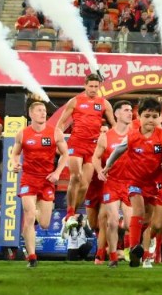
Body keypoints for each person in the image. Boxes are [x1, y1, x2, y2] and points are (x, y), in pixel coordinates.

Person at [103, 96, 162, 269]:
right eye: (147, 116)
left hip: (157, 184)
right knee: (138, 210)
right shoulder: (132, 135)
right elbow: (118, 151)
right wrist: (107, 166)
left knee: (154, 224)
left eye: (154, 117)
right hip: (135, 181)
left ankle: (141, 242)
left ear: (160, 118)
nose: (150, 120)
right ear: (139, 117)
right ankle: (134, 248)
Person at [57, 72, 116, 238]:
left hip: (93, 147)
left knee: (84, 185)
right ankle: (69, 213)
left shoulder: (104, 103)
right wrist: (59, 140)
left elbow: (114, 125)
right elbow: (61, 122)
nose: (93, 89)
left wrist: (107, 133)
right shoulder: (75, 101)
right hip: (76, 143)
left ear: (99, 87)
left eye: (96, 87)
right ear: (85, 86)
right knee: (75, 177)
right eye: (90, 86)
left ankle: (70, 216)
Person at [17, 98, 69, 268]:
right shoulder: (23, 133)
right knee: (30, 215)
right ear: (31, 114)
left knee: (45, 223)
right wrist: (14, 163)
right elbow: (15, 153)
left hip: (47, 180)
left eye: (44, 111)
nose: (43, 113)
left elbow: (65, 155)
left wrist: (57, 172)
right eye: (39, 110)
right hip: (28, 179)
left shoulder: (55, 133)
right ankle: (32, 257)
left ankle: (30, 227)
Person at [89, 100, 133, 266]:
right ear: (116, 114)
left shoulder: (135, 133)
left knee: (130, 224)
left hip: (130, 183)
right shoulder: (106, 137)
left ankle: (134, 249)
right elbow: (95, 157)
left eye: (131, 110)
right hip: (112, 182)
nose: (130, 113)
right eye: (126, 110)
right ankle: (113, 256)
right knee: (112, 221)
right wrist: (100, 170)